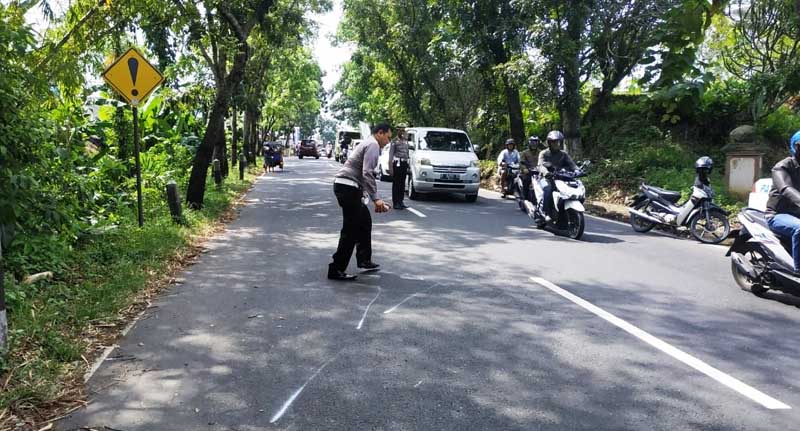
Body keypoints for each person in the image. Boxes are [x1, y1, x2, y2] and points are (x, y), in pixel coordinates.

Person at [328, 123, 393, 281]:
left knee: (364, 222)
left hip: (349, 187)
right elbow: (367, 173)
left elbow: (362, 175)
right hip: (347, 187)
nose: (388, 141)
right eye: (388, 137)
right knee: (350, 230)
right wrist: (376, 198)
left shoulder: (369, 143)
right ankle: (336, 269)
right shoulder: (372, 145)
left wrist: (365, 195)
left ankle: (364, 259)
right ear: (380, 133)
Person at [767, 131, 800, 273]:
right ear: (795, 147)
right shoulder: (782, 167)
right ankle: (798, 270)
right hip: (778, 215)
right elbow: (786, 189)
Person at [537, 130, 577, 222]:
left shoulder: (563, 154)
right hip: (546, 177)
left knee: (572, 188)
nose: (556, 144)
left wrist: (578, 171)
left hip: (560, 177)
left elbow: (572, 165)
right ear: (549, 143)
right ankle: (545, 212)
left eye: (558, 142)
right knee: (548, 189)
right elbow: (540, 165)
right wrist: (546, 173)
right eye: (554, 142)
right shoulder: (543, 153)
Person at [388, 123, 410, 209]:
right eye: (400, 129)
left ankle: (401, 201)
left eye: (403, 130)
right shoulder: (394, 141)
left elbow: (407, 153)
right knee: (396, 184)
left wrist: (408, 165)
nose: (402, 131)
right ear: (397, 131)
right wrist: (390, 168)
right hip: (397, 164)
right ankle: (396, 202)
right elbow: (391, 155)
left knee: (402, 184)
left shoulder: (405, 141)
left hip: (404, 164)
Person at [520, 136, 541, 203]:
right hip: (528, 172)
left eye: (535, 142)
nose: (534, 144)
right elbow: (521, 163)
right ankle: (525, 198)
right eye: (532, 142)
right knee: (526, 180)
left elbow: (545, 161)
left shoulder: (541, 152)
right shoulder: (525, 152)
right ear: (529, 143)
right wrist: (524, 169)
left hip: (539, 172)